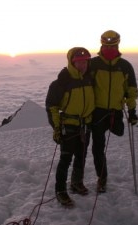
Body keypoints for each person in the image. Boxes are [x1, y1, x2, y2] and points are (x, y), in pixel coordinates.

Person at [90, 30, 138, 193]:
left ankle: (101, 179)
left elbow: (131, 90)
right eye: (106, 45)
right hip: (97, 112)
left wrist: (132, 111)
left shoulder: (125, 66)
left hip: (114, 112)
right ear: (102, 44)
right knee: (97, 147)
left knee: (117, 133)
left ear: (117, 44)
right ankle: (102, 179)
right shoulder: (94, 64)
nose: (109, 48)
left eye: (112, 45)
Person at [45, 47, 94, 207]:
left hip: (85, 125)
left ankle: (76, 182)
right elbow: (52, 106)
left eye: (85, 61)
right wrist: (57, 128)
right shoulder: (62, 82)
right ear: (72, 63)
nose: (83, 65)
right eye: (79, 62)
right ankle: (60, 190)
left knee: (81, 156)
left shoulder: (89, 79)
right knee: (65, 159)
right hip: (69, 126)